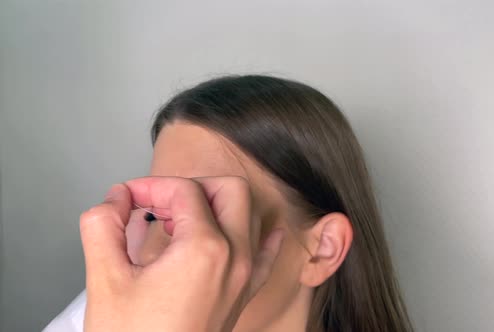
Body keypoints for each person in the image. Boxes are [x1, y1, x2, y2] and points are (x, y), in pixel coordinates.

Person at [44, 75, 414, 332]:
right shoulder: (104, 311)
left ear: (323, 249)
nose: (160, 254)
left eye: (210, 212)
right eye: (155, 214)